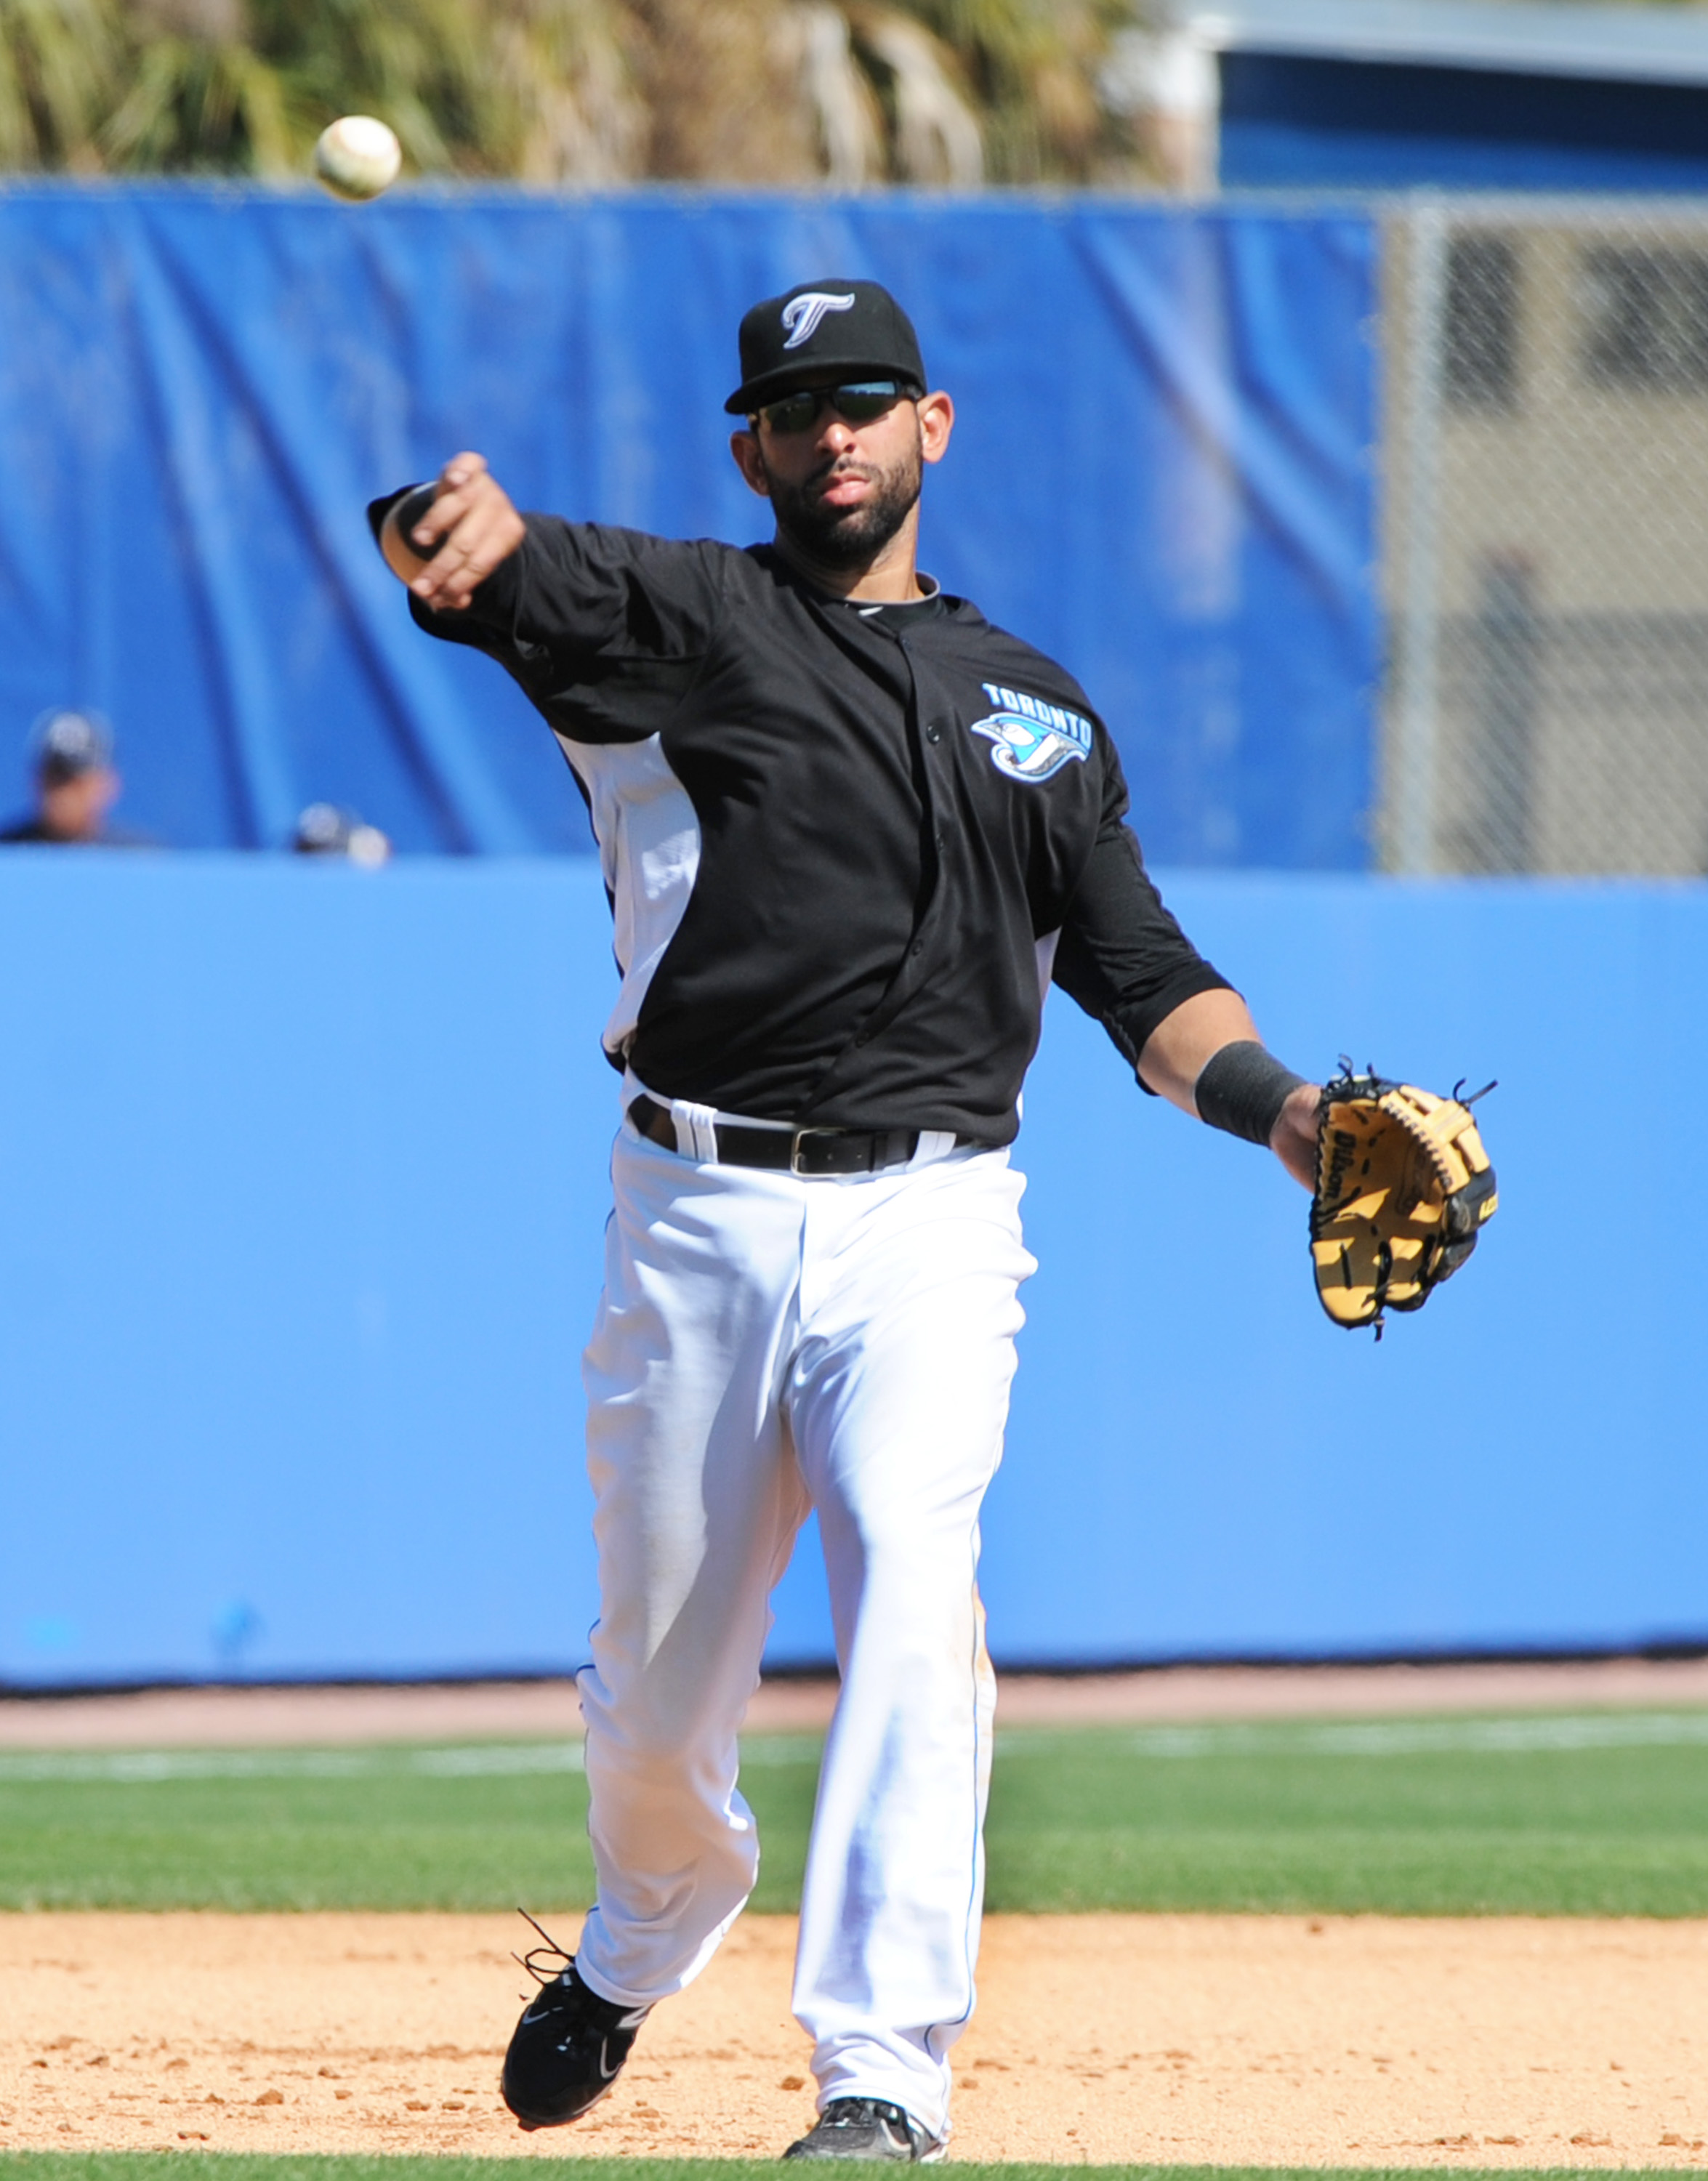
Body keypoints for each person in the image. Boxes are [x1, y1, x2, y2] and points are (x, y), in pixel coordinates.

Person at [371, 277, 1320, 2164]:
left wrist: (1289, 1111)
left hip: (935, 1226)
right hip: (698, 1221)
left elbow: (1139, 978)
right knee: (654, 1702)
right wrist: (440, 523)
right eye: (795, 407)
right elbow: (485, 566)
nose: (833, 430)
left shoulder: (1038, 714)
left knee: (914, 1590)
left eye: (866, 398)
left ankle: (881, 2071)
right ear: (751, 445)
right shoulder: (683, 622)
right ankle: (648, 1929)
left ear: (933, 423)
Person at [0, 710, 137, 846]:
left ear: (107, 784)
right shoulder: (8, 850)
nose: (62, 794)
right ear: (37, 780)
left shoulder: (138, 860)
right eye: (54, 777)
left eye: (75, 781)